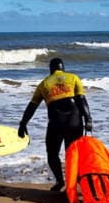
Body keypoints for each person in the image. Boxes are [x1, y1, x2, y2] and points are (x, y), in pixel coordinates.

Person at [18, 58, 92, 191]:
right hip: (74, 121)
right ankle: (75, 183)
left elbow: (32, 106)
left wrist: (23, 124)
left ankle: (60, 181)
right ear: (63, 68)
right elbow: (82, 100)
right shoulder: (73, 77)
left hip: (56, 122)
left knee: (52, 153)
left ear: (50, 69)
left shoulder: (44, 84)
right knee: (72, 154)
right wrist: (88, 119)